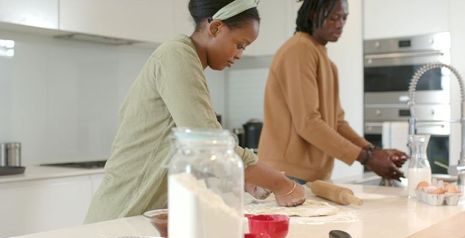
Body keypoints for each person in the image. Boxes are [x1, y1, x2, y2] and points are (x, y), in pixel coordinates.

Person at [84, 0, 305, 224]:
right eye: (240, 44)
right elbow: (210, 146)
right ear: (216, 27)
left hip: (146, 219)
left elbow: (189, 153)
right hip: (121, 216)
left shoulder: (186, 60)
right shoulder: (176, 55)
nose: (239, 54)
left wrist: (243, 179)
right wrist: (282, 184)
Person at [258, 0, 408, 184]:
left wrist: (373, 151)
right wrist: (367, 158)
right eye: (334, 17)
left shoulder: (327, 62)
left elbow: (337, 123)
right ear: (313, 15)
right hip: (286, 173)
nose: (340, 24)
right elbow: (308, 122)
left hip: (311, 176)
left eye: (344, 18)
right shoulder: (299, 50)